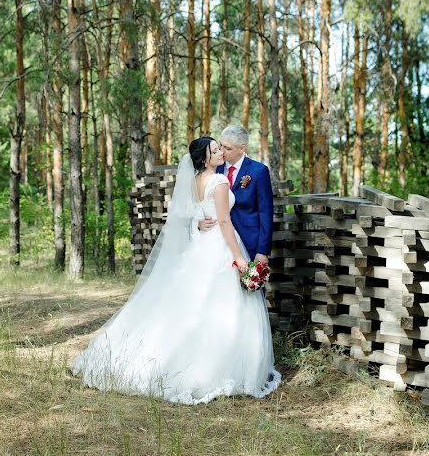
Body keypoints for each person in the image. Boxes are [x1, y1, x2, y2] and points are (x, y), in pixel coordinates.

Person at [71, 136, 281, 405]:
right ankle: (217, 367)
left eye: (220, 149)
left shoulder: (195, 181)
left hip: (202, 245)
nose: (220, 153)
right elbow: (225, 222)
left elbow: (192, 211)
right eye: (215, 150)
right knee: (222, 304)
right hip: (221, 245)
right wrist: (239, 259)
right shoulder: (219, 181)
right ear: (205, 158)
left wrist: (199, 223)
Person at [197, 125, 273, 266]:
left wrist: (262, 250)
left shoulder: (258, 171)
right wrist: (198, 222)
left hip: (248, 240)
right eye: (221, 145)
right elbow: (199, 201)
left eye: (228, 148)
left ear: (242, 148)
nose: (222, 151)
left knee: (249, 285)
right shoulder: (214, 168)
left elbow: (266, 213)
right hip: (218, 240)